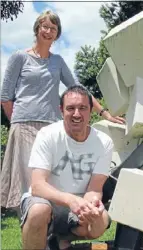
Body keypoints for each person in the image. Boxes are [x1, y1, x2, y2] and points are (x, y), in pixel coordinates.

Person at [0, 10, 124, 211]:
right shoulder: (19, 57)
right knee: (29, 188)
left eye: (53, 28)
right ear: (37, 29)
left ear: (57, 34)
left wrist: (104, 113)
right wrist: (17, 122)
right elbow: (5, 97)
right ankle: (33, 231)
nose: (48, 31)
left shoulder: (57, 61)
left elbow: (78, 88)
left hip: (51, 125)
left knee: (53, 183)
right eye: (45, 26)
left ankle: (55, 233)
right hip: (24, 126)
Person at [20, 85, 113, 250]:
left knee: (100, 220)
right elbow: (37, 186)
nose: (77, 114)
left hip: (78, 204)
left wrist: (90, 206)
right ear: (61, 110)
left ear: (91, 110)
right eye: (71, 108)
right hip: (46, 201)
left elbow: (95, 188)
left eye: (83, 108)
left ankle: (58, 242)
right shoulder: (48, 135)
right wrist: (71, 200)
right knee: (38, 211)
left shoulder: (104, 142)